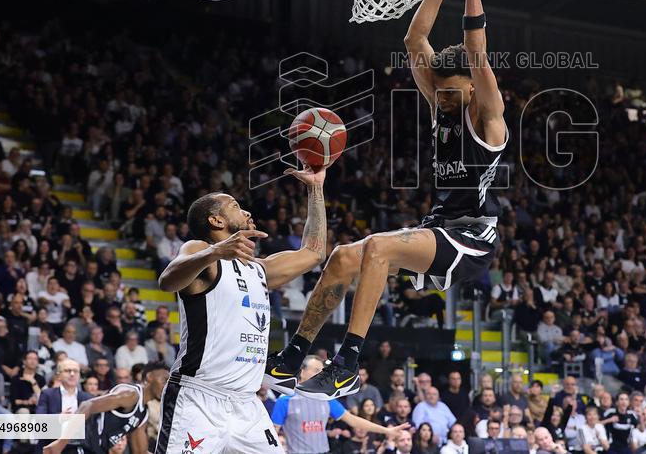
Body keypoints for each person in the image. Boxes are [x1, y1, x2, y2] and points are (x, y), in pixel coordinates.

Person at [266, 0, 509, 400]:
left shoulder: (488, 116)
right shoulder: (442, 102)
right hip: (439, 226)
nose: (441, 99)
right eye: (439, 91)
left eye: (451, 93)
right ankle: (292, 358)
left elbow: (476, 48)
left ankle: (348, 365)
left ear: (473, 89)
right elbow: (414, 40)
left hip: (473, 237)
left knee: (378, 247)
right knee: (342, 257)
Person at [152, 168, 332, 454]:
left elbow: (314, 253)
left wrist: (315, 189)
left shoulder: (260, 269)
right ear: (216, 220)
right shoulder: (200, 251)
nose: (246, 210)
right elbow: (167, 281)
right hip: (199, 398)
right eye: (235, 206)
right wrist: (214, 251)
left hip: (247, 403)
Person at [270, 356, 410, 454]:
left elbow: (354, 420)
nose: (320, 375)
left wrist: (387, 431)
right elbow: (272, 433)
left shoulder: (326, 398)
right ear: (302, 372)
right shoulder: (284, 400)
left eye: (322, 371)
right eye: (316, 370)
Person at [42, 362, 169, 454]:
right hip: (79, 446)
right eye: (164, 380)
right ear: (150, 376)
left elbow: (140, 452)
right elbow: (87, 405)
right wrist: (61, 443)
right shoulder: (130, 393)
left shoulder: (142, 414)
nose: (166, 387)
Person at [37, 359, 92, 452]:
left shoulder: (88, 398)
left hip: (80, 447)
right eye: (67, 371)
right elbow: (39, 419)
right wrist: (59, 418)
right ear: (59, 375)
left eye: (75, 371)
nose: (72, 374)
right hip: (53, 445)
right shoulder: (47, 394)